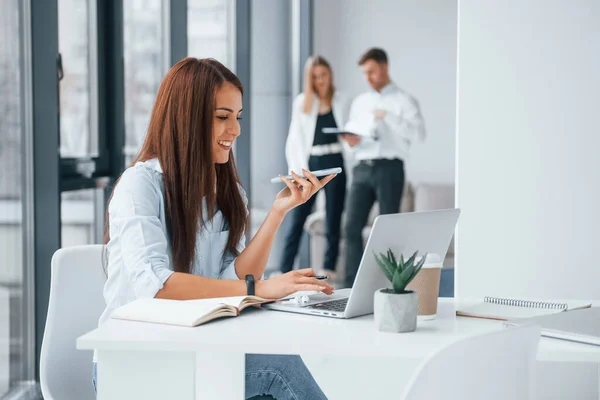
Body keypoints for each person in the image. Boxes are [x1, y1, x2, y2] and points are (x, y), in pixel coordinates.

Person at [94, 57, 335, 400]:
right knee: (280, 368)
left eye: (237, 118)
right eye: (223, 117)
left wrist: (280, 211)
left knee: (272, 368)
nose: (235, 130)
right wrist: (261, 288)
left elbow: (230, 281)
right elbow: (155, 285)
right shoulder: (140, 186)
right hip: (136, 364)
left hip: (197, 349)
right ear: (186, 119)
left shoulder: (228, 192)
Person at [340, 48, 426, 289]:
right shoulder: (360, 102)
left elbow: (418, 134)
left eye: (372, 71)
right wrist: (351, 144)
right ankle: (350, 287)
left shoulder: (404, 101)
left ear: (384, 67)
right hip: (362, 168)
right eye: (364, 73)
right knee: (351, 227)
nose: (368, 77)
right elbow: (352, 140)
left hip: (390, 169)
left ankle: (392, 286)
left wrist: (388, 116)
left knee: (389, 230)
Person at [279, 56, 350, 281]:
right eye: (315, 77)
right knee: (298, 215)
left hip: (336, 161)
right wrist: (298, 171)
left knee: (333, 217)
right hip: (312, 164)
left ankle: (328, 268)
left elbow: (350, 133)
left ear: (330, 75)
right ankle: (284, 268)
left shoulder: (342, 100)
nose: (320, 81)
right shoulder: (302, 102)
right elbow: (294, 139)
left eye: (323, 75)